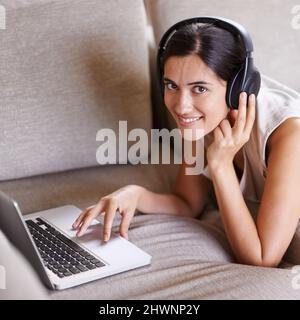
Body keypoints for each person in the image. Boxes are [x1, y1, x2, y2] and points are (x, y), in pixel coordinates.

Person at [72, 20, 300, 267]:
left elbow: (262, 259)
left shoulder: (290, 135)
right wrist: (136, 195)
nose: (181, 107)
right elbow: (188, 202)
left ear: (238, 89)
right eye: (172, 86)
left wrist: (220, 166)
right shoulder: (201, 120)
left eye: (199, 88)